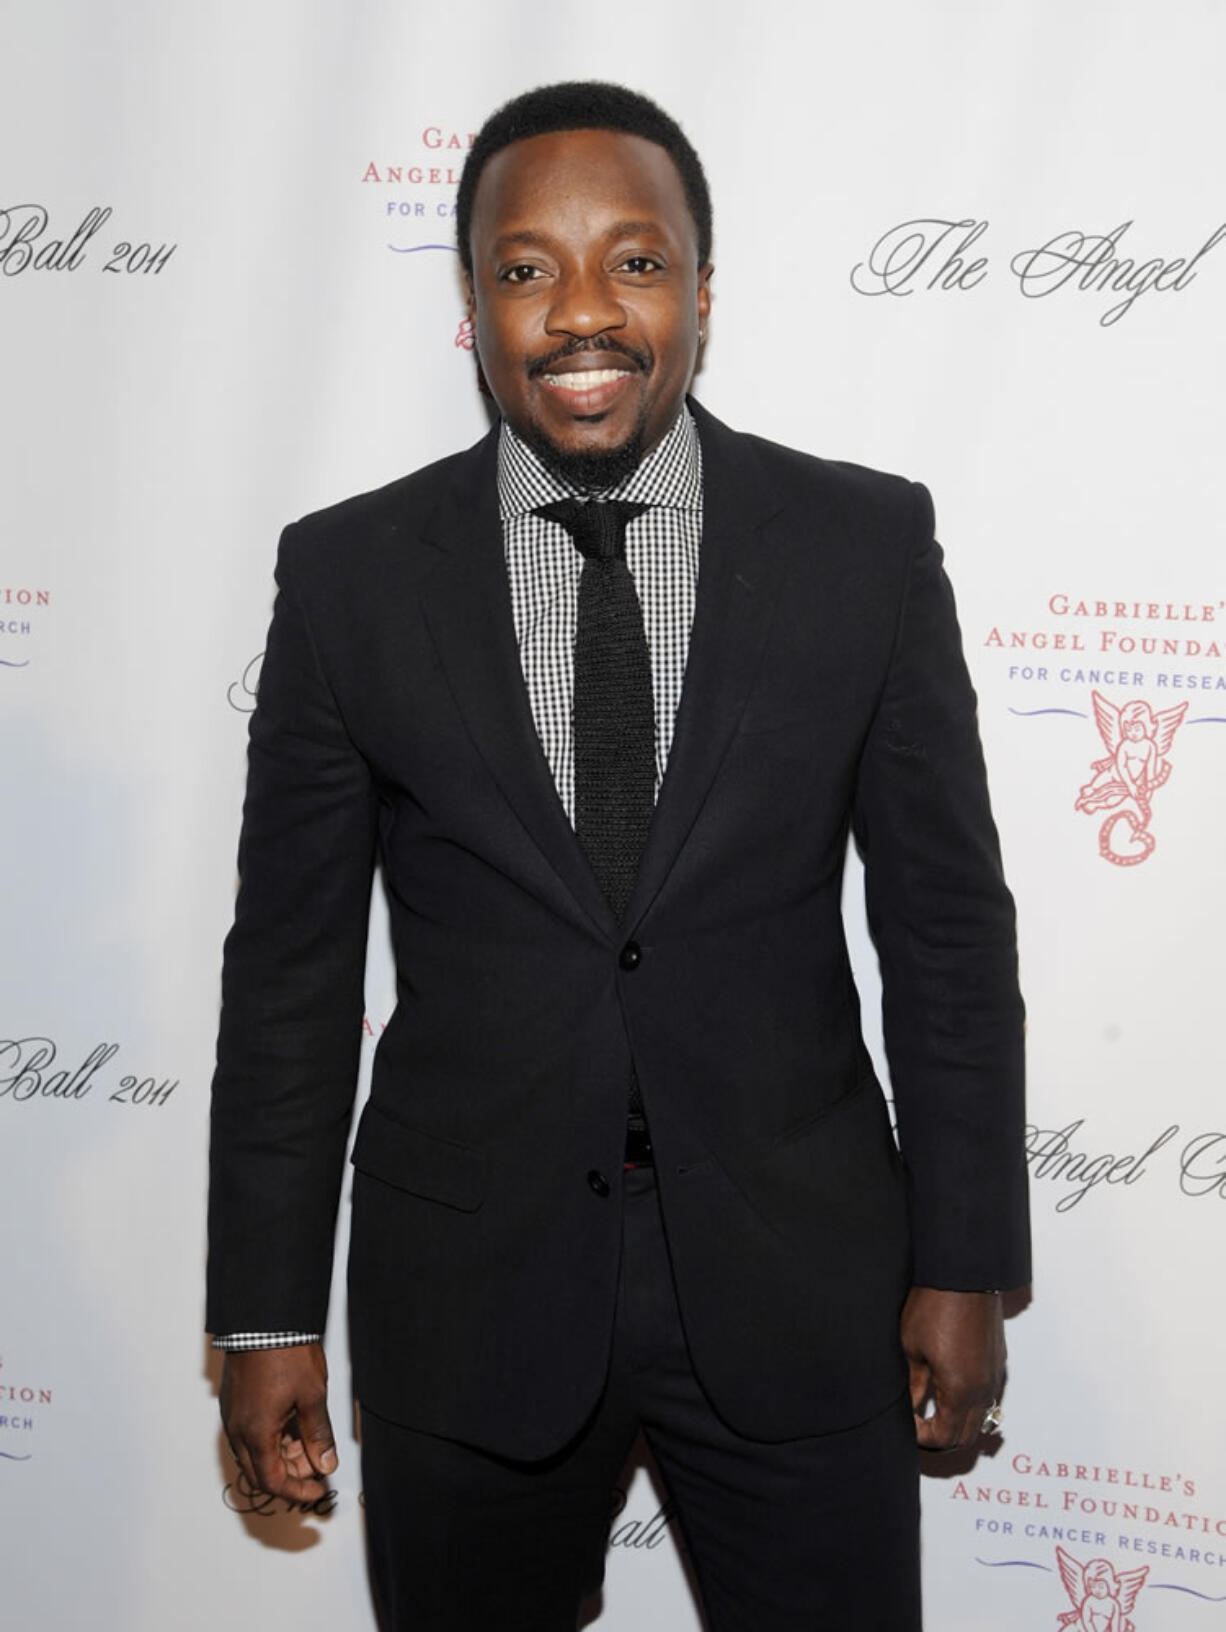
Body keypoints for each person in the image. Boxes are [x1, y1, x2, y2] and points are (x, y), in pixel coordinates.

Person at [208, 80, 1030, 1631]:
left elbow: (944, 938)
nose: (581, 309)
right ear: (471, 308)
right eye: (525, 270)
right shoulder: (349, 576)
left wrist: (965, 1261)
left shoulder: (859, 547)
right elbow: (290, 981)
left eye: (633, 262)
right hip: (468, 1295)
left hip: (803, 1275)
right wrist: (262, 1315)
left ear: (702, 294)